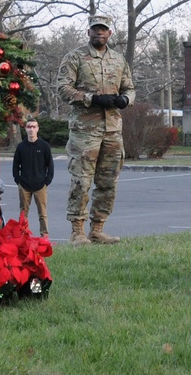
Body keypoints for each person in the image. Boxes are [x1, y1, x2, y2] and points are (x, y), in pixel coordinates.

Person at [57, 14, 135, 246]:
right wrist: (92, 98)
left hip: (112, 130)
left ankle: (98, 229)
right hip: (85, 131)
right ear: (88, 32)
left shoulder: (118, 60)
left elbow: (130, 87)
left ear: (110, 33)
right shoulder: (75, 58)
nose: (99, 33)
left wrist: (125, 100)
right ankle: (77, 231)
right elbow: (62, 89)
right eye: (95, 29)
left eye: (103, 29)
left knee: (108, 181)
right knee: (81, 181)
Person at [11, 119, 54, 238]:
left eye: (34, 127)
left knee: (42, 213)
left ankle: (44, 236)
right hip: (24, 185)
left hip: (40, 185)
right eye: (29, 127)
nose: (31, 129)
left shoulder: (44, 146)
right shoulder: (21, 147)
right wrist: (18, 180)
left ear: (38, 128)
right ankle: (23, 235)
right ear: (25, 129)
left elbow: (50, 165)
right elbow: (16, 165)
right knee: (23, 213)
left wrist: (47, 181)